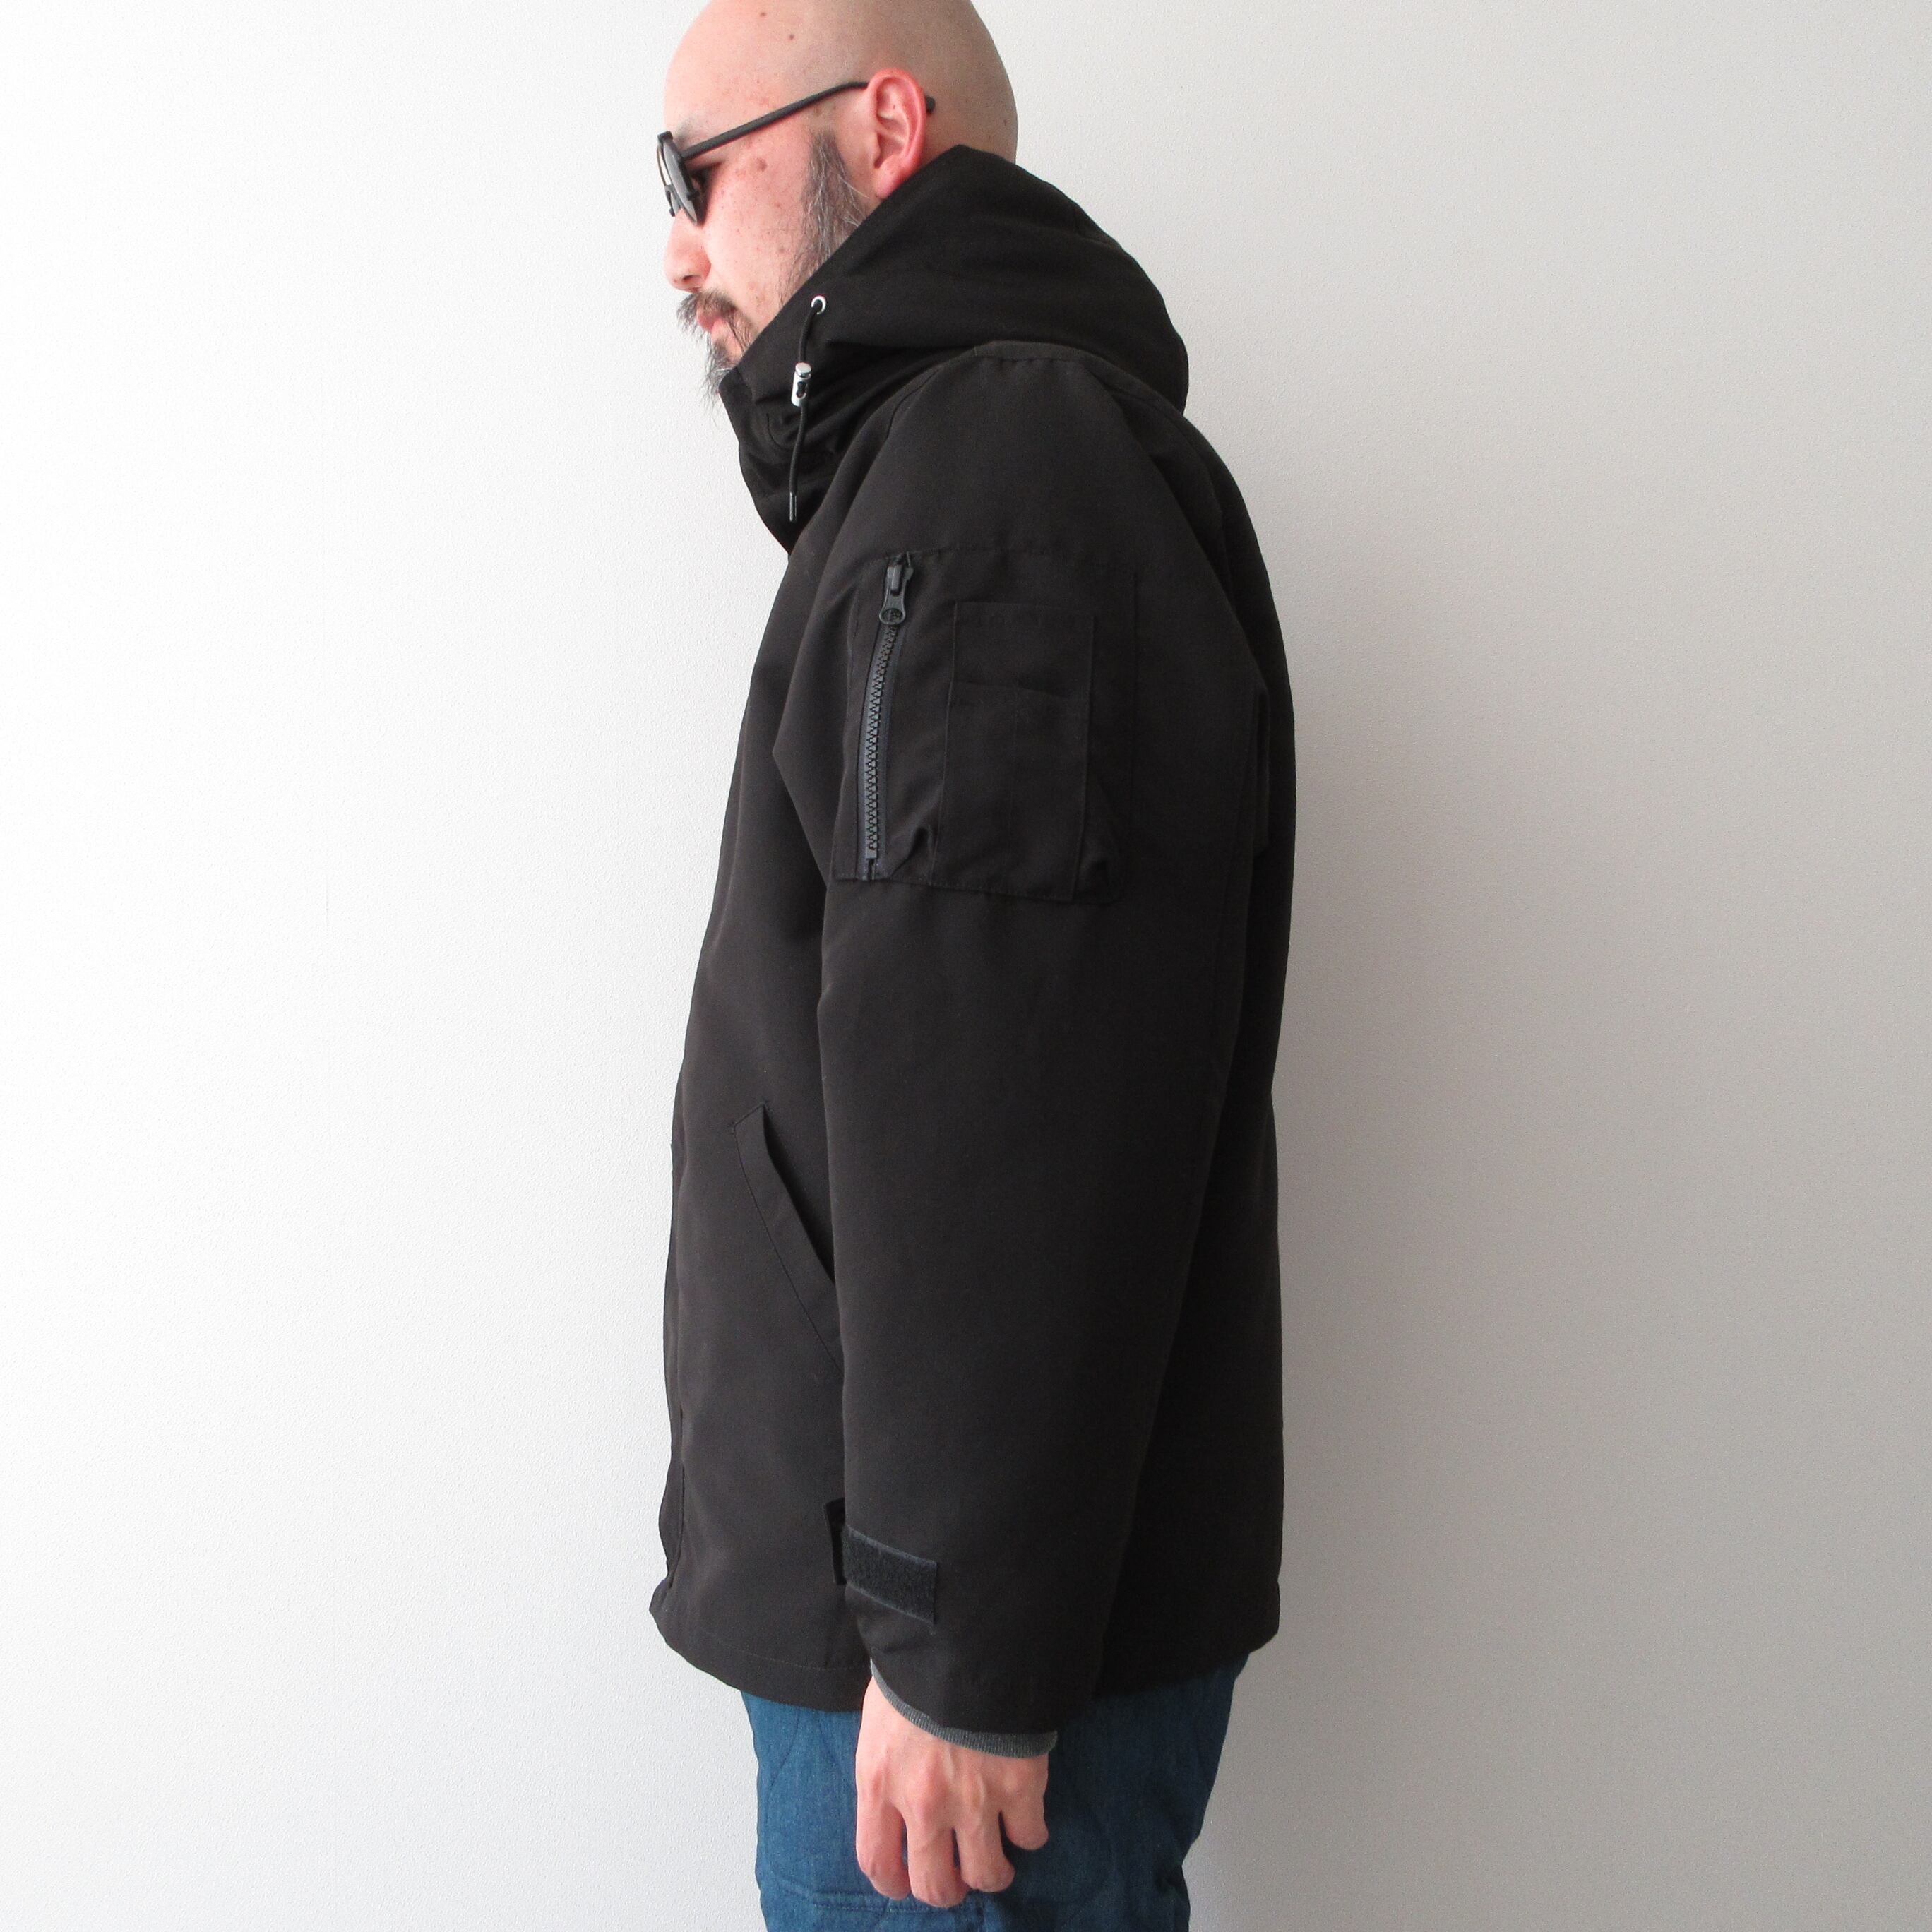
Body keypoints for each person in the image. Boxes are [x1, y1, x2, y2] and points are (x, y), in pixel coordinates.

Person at [650, 1, 1296, 1921]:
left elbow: (1007, 1075)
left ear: (884, 124)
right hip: (914, 1627)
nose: (675, 248)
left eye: (696, 173)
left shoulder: (1003, 468)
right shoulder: (959, 472)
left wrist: (958, 1646)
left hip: (938, 1680)